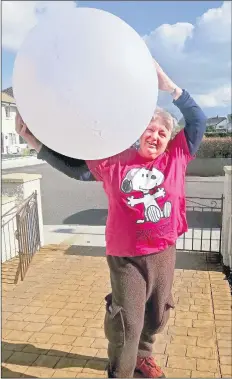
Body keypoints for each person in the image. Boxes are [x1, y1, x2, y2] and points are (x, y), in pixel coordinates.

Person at [16, 60, 207, 378]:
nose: (156, 136)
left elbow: (198, 120)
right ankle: (120, 370)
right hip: (126, 257)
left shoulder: (176, 157)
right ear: (138, 133)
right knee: (128, 323)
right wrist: (37, 144)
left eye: (163, 132)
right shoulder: (117, 161)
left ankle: (144, 355)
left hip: (164, 253)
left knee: (157, 316)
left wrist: (171, 88)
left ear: (168, 139)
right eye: (150, 129)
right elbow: (76, 168)